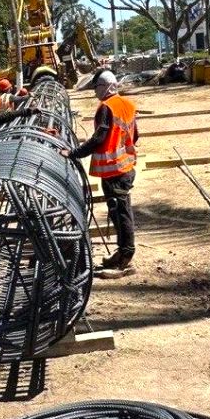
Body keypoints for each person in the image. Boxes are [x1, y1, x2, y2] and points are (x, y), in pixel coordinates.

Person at [62, 70, 138, 274]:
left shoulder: (106, 107)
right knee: (120, 211)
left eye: (97, 87)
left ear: (105, 87)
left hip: (114, 170)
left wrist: (73, 153)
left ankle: (126, 256)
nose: (96, 91)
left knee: (121, 213)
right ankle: (123, 252)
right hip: (126, 166)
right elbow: (135, 135)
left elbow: (98, 139)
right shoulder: (127, 104)